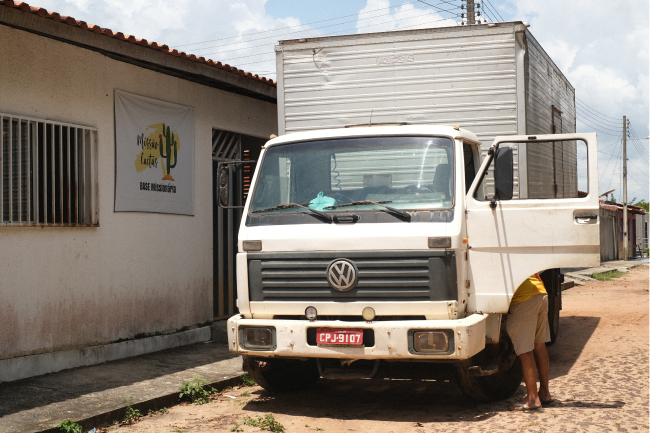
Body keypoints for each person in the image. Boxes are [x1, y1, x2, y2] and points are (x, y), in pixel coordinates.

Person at [507, 273, 553, 410]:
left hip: (524, 298)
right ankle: (544, 393)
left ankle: (532, 399)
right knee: (540, 346)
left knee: (525, 351)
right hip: (540, 292)